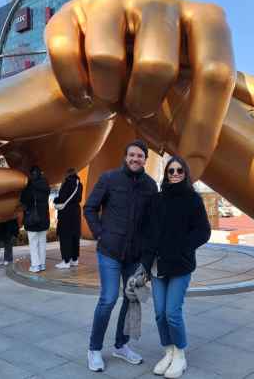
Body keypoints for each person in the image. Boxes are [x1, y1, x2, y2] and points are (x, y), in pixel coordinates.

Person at [84, 140, 157, 373]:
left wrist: (148, 256)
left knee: (130, 299)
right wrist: (100, 234)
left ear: (146, 159)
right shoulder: (109, 178)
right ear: (126, 157)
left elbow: (152, 223)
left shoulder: (150, 185)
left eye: (140, 156)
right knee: (108, 299)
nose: (136, 159)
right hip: (110, 251)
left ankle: (121, 345)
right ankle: (94, 349)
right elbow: (90, 208)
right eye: (132, 155)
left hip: (135, 255)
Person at [141, 156, 211, 378]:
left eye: (179, 170)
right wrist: (144, 264)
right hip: (158, 266)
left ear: (185, 173)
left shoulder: (193, 200)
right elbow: (149, 233)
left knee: (172, 312)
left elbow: (203, 232)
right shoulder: (157, 199)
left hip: (180, 265)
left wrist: (183, 247)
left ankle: (180, 354)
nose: (175, 174)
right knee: (160, 314)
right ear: (166, 174)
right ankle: (169, 351)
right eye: (171, 171)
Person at [20, 166, 51, 273]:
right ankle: (42, 264)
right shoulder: (46, 186)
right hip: (44, 219)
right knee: (42, 243)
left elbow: (23, 201)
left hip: (32, 219)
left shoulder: (29, 187)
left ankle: (35, 265)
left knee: (33, 243)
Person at [54, 168, 83, 269]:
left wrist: (55, 200)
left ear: (67, 174)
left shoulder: (67, 183)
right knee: (75, 236)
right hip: (76, 212)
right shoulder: (79, 184)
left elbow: (62, 198)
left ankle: (66, 261)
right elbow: (79, 198)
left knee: (65, 237)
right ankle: (74, 259)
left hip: (66, 213)